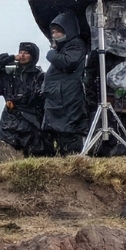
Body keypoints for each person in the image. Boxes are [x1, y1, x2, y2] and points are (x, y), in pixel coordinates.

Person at [0, 42, 49, 157]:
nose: (22, 55)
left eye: (26, 53)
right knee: (6, 156)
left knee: (35, 157)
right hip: (9, 123)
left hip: (33, 123)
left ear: (33, 56)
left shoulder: (40, 77)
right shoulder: (9, 76)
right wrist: (6, 60)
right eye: (20, 52)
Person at [41, 11, 89, 155]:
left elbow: (68, 63)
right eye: (53, 31)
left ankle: (73, 160)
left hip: (68, 99)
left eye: (58, 30)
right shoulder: (64, 47)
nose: (54, 34)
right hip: (59, 98)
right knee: (61, 135)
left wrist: (52, 55)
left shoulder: (76, 45)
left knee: (70, 133)